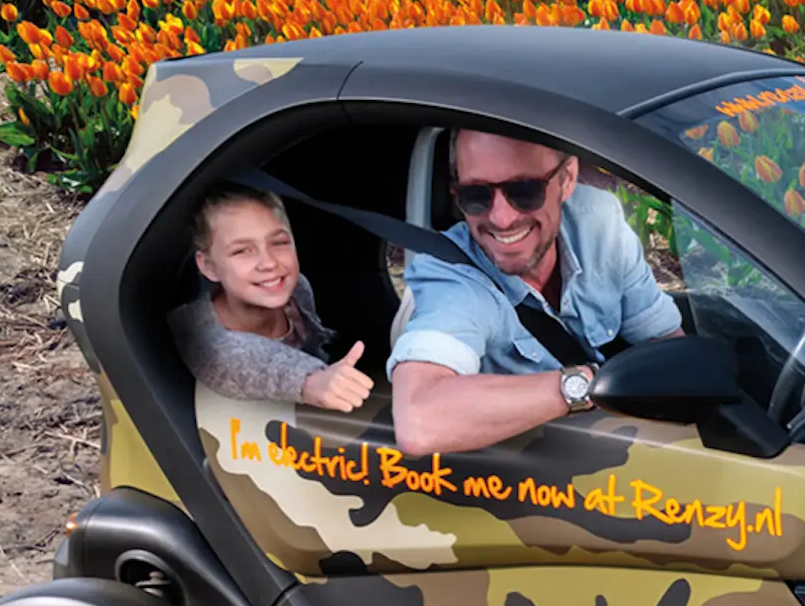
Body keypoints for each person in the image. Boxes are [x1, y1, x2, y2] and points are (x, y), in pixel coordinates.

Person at [389, 131, 682, 456]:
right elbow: (419, 422)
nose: (502, 218)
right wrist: (587, 385)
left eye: (524, 191)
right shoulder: (453, 278)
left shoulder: (598, 221)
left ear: (567, 179)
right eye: (476, 195)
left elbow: (667, 344)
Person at [170, 183, 373, 413]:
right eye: (242, 251)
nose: (268, 263)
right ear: (209, 266)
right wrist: (311, 380)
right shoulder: (203, 339)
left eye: (279, 242)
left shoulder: (298, 290)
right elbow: (232, 359)